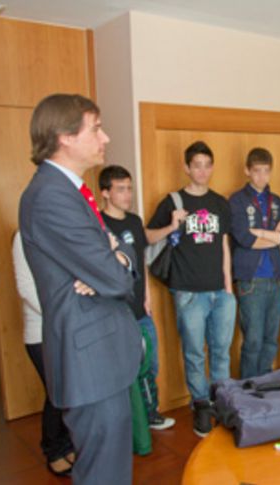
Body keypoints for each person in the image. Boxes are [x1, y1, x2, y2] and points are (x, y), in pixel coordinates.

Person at [19, 94, 141, 484]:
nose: (105, 138)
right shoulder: (51, 197)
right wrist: (114, 264)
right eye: (96, 128)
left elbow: (119, 258)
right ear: (64, 136)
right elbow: (117, 277)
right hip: (90, 361)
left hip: (102, 357)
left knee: (112, 467)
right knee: (103, 473)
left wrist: (116, 258)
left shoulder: (72, 193)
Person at [147, 141, 235, 438]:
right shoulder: (172, 201)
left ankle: (220, 399)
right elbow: (146, 235)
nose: (202, 170)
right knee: (195, 352)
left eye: (207, 165)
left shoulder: (220, 203)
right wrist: (172, 226)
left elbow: (224, 244)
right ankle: (200, 404)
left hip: (220, 291)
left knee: (221, 350)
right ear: (187, 167)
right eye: (196, 165)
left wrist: (228, 285)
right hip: (187, 291)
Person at [99, 165, 175, 431]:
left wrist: (147, 296)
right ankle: (125, 421)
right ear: (105, 193)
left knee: (149, 363)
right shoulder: (98, 225)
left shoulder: (133, 221)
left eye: (129, 188)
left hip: (140, 308)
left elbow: (140, 258)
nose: (127, 194)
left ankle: (150, 413)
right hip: (114, 311)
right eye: (121, 189)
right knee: (120, 368)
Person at [12, 231, 75, 477]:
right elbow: (26, 288)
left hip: (67, 327)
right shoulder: (23, 236)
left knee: (68, 390)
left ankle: (67, 444)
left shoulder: (60, 234)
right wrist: (61, 313)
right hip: (41, 332)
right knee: (55, 392)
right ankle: (53, 450)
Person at [229, 148, 280, 378]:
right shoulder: (237, 200)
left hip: (275, 279)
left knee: (271, 339)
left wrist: (264, 234)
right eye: (257, 171)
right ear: (247, 171)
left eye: (266, 171)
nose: (262, 177)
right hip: (251, 281)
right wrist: (274, 234)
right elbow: (245, 239)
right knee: (253, 339)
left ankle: (265, 383)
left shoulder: (277, 201)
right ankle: (249, 386)